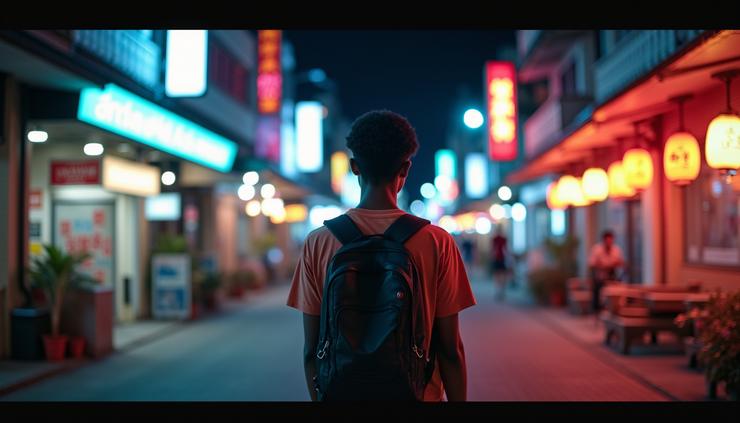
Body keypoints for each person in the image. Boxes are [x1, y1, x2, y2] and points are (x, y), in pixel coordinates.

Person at [286, 110, 476, 402]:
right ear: (405, 169)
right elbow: (451, 350)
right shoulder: (437, 242)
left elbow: (312, 351)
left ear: (354, 167)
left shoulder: (318, 242)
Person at [588, 230, 626, 314]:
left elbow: (620, 262)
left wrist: (618, 265)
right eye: (607, 240)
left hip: (612, 273)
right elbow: (591, 264)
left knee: (619, 286)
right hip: (600, 273)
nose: (609, 242)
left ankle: (616, 307)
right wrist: (603, 267)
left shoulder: (617, 250)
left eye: (610, 240)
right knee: (597, 287)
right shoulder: (597, 249)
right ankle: (596, 308)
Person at [490, 226, 509, 301]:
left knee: (499, 275)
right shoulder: (499, 239)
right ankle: (500, 290)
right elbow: (505, 248)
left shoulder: (501, 239)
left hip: (500, 258)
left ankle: (500, 290)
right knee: (499, 275)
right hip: (499, 257)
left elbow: (494, 248)